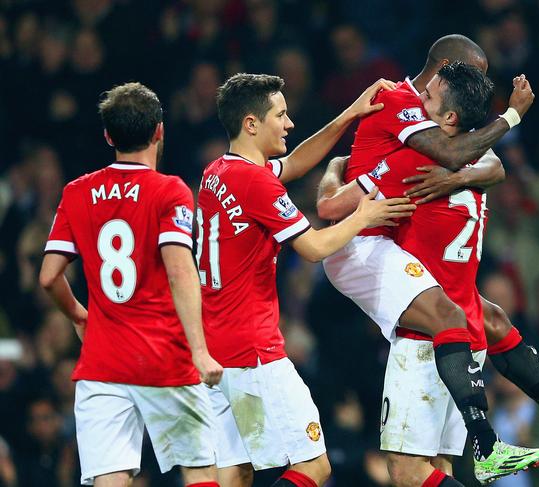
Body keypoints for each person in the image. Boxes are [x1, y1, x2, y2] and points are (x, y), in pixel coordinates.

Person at [318, 36, 539, 485]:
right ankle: (534, 431)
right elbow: (488, 166)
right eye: (474, 74)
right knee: (478, 319)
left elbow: (489, 168)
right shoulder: (423, 120)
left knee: (418, 469)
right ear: (448, 70)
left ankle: (527, 436)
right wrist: (488, 144)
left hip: (429, 322)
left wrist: (338, 171)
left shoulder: (422, 155)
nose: (428, 96)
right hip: (404, 274)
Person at [197, 74, 416, 487]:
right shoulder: (256, 181)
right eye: (280, 115)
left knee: (236, 472)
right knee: (314, 467)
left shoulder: (219, 171)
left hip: (218, 347)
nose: (289, 123)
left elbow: (295, 163)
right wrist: (363, 217)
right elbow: (314, 247)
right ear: (251, 124)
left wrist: (350, 114)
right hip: (254, 350)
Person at [39, 82, 223, 487]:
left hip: (102, 363)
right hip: (165, 358)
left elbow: (49, 276)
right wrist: (200, 350)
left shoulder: (77, 192)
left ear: (108, 136)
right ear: (160, 130)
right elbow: (179, 271)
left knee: (110, 478)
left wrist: (78, 315)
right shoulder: (170, 190)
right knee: (199, 471)